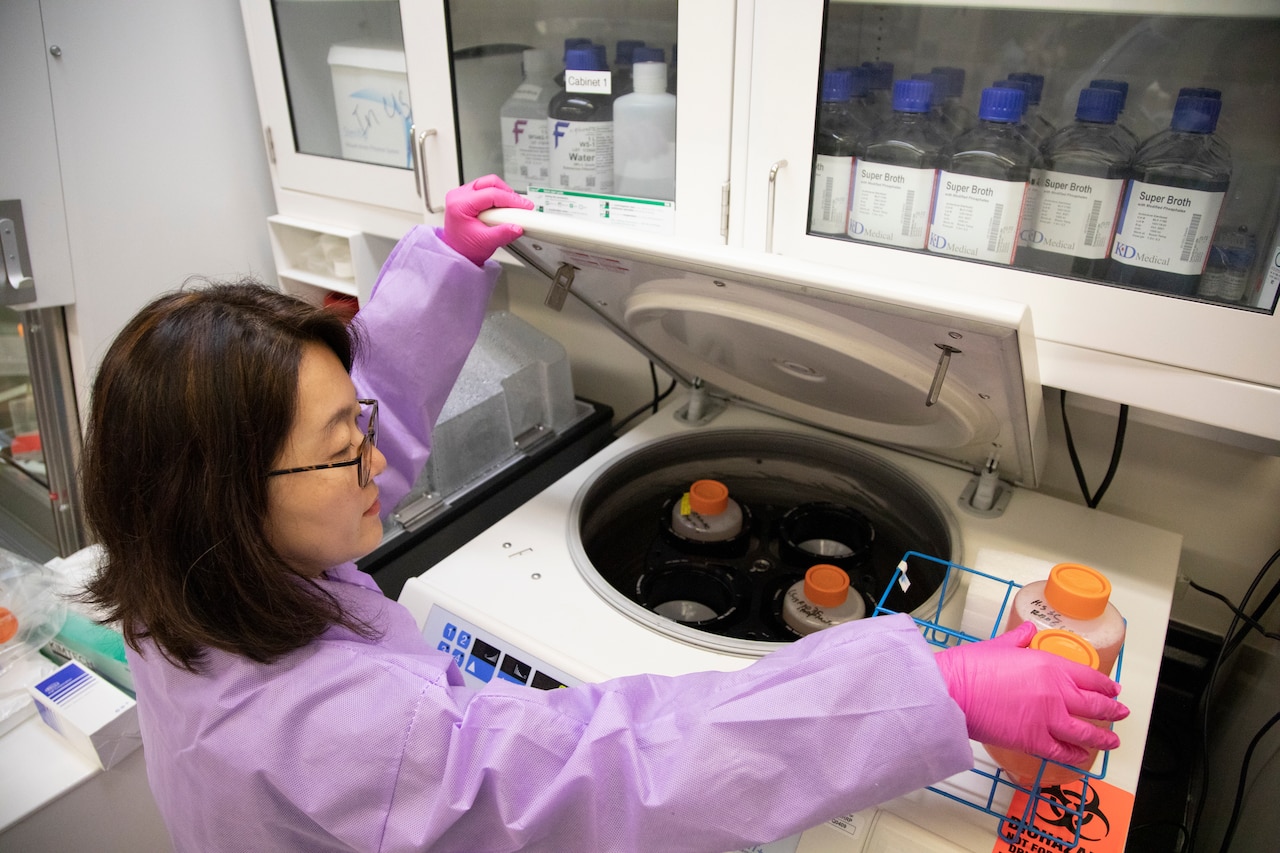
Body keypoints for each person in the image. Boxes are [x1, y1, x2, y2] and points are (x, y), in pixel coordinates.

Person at [79, 175, 1128, 853]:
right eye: (339, 448)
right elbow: (616, 769)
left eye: (356, 423)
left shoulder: (186, 572)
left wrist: (440, 272)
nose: (375, 457)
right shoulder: (344, 729)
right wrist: (924, 685)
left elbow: (349, 435)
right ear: (218, 498)